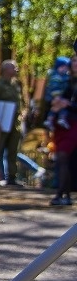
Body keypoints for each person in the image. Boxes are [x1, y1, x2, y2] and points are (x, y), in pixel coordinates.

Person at [0, 60, 23, 187]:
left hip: (14, 123)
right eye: (13, 67)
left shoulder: (16, 84)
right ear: (5, 70)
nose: (16, 69)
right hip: (1, 122)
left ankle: (12, 177)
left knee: (13, 150)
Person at [49, 53, 77, 206]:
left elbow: (70, 103)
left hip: (74, 125)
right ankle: (66, 196)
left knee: (63, 156)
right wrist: (56, 103)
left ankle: (60, 194)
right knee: (64, 159)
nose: (75, 63)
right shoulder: (66, 81)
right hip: (62, 124)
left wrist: (68, 104)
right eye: (73, 60)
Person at [43, 55, 72, 131]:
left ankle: (59, 119)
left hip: (59, 96)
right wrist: (57, 96)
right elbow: (54, 87)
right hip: (54, 96)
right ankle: (51, 120)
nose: (65, 69)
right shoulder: (55, 77)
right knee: (57, 107)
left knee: (60, 107)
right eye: (63, 67)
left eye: (66, 68)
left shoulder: (64, 76)